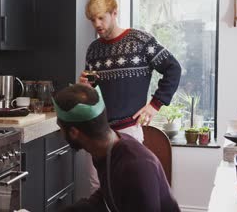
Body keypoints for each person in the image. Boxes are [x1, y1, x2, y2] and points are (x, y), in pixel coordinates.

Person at [79, 0, 182, 192]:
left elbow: (173, 69)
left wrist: (155, 105)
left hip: (128, 131)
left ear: (114, 13)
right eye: (93, 20)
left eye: (101, 17)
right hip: (97, 130)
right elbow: (94, 94)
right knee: (97, 188)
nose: (97, 24)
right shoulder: (93, 49)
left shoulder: (140, 41)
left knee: (128, 189)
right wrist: (85, 87)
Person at [53, 84, 180, 212]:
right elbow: (105, 198)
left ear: (74, 132)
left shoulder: (136, 167)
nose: (61, 132)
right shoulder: (106, 150)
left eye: (61, 127)